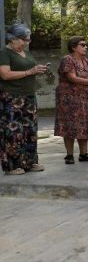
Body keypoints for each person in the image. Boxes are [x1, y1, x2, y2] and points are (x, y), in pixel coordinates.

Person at [0, 23, 48, 175]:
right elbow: (5, 75)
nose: (26, 43)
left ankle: (30, 162)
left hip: (28, 96)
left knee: (30, 130)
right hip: (11, 97)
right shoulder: (4, 53)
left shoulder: (25, 53)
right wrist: (29, 72)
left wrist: (37, 70)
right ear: (12, 39)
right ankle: (12, 166)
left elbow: (29, 69)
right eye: (23, 40)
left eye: (28, 40)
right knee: (13, 132)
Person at [54, 36, 88, 164]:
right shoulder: (67, 60)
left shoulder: (85, 61)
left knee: (83, 125)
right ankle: (69, 155)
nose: (86, 47)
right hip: (68, 99)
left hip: (84, 98)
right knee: (69, 125)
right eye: (83, 44)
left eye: (86, 45)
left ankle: (83, 154)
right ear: (74, 47)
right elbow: (72, 78)